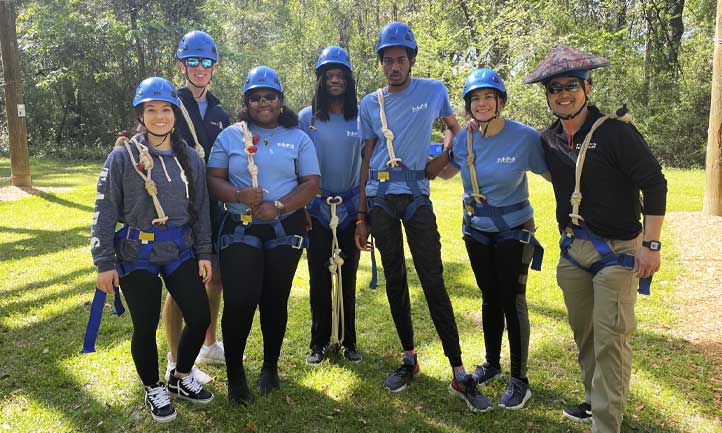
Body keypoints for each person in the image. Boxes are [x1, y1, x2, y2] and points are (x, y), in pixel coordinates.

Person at [523, 46, 667, 432]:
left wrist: (651, 245)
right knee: (585, 335)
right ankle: (593, 399)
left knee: (611, 341)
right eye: (555, 88)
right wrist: (474, 126)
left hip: (618, 252)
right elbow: (509, 146)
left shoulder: (617, 133)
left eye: (572, 85)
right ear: (548, 95)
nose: (563, 94)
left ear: (588, 88)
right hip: (573, 252)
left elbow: (655, 184)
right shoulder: (549, 140)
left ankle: (606, 424)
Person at [354, 21, 491, 412]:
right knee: (395, 278)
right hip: (380, 198)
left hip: (416, 196)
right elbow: (366, 159)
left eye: (401, 59)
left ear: (411, 60)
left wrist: (443, 156)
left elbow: (452, 128)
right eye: (388, 60)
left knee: (433, 280)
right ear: (381, 63)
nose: (394, 66)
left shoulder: (432, 91)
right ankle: (409, 358)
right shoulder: (370, 103)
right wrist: (361, 214)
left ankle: (459, 370)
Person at [90, 77, 214, 422]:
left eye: (165, 110)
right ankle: (152, 387)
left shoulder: (189, 157)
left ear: (175, 114)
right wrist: (103, 263)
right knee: (144, 325)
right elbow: (104, 211)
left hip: (180, 251)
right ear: (141, 115)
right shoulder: (122, 157)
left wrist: (204, 252)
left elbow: (200, 208)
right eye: (151, 110)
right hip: (136, 254)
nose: (160, 117)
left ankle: (180, 376)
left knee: (200, 316)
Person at [425, 68, 549, 410]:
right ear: (468, 105)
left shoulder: (523, 138)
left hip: (514, 230)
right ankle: (492, 364)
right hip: (476, 230)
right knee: (489, 296)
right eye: (475, 98)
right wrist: (429, 155)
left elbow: (554, 172)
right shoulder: (465, 138)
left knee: (512, 299)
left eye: (488, 97)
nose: (481, 103)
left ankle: (520, 380)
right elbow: (444, 171)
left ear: (500, 102)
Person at [207, 66, 320, 405]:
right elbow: (214, 180)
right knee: (241, 300)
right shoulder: (230, 136)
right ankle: (235, 377)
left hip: (284, 228)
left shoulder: (298, 137)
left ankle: (270, 367)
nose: (263, 103)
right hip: (240, 225)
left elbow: (311, 183)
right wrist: (239, 196)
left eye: (269, 97)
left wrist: (281, 206)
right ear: (247, 102)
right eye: (255, 98)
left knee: (274, 300)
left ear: (280, 100)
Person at [162, 29, 230, 385]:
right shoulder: (169, 104)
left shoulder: (220, 111)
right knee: (179, 283)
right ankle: (174, 360)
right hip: (180, 208)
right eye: (193, 61)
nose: (200, 68)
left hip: (214, 208)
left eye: (207, 62)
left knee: (214, 279)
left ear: (214, 67)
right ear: (182, 64)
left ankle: (208, 343)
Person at [299, 46, 363, 365]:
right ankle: (319, 342)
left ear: (348, 81)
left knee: (347, 278)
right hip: (317, 210)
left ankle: (349, 341)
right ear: (321, 80)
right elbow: (293, 165)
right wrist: (302, 208)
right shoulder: (304, 119)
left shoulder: (361, 117)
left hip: (350, 208)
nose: (335, 80)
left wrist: (365, 212)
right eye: (329, 76)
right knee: (319, 278)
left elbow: (367, 166)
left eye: (341, 75)